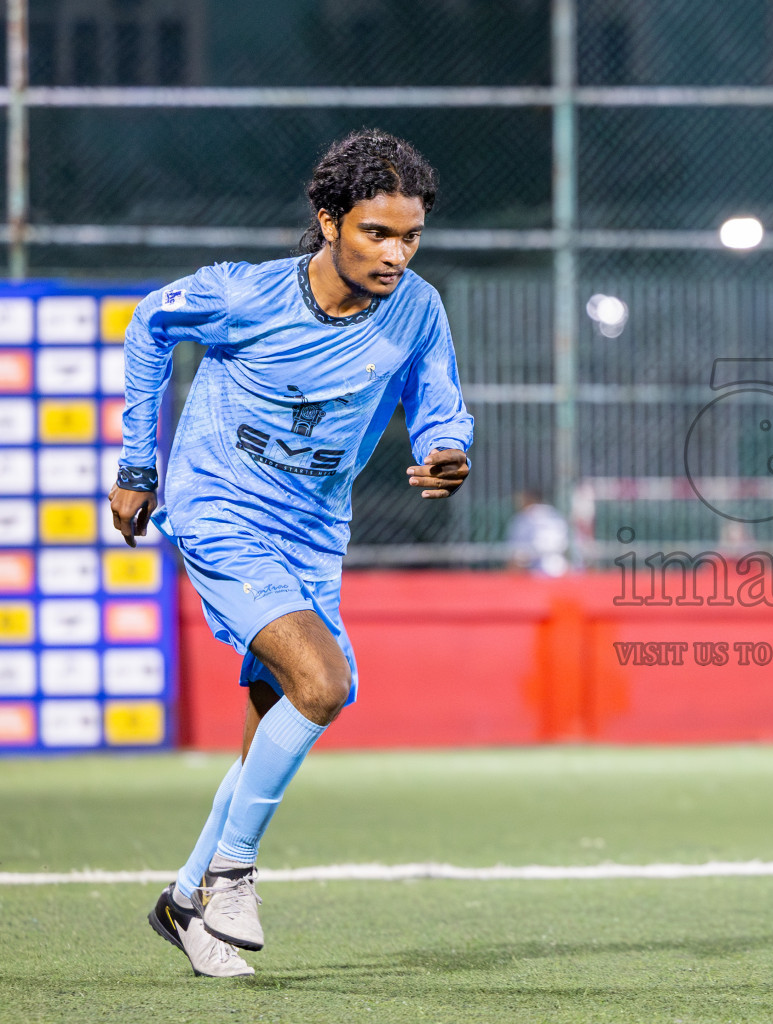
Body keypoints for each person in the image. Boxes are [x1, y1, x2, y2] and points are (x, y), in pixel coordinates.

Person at [112, 129, 474, 978]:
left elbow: (438, 398)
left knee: (276, 724)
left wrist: (447, 445)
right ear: (327, 221)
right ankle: (235, 875)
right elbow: (147, 328)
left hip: (314, 531)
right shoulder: (245, 297)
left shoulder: (417, 307)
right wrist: (139, 461)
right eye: (376, 233)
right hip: (220, 506)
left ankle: (185, 899)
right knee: (325, 683)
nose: (395, 253)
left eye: (410, 235)